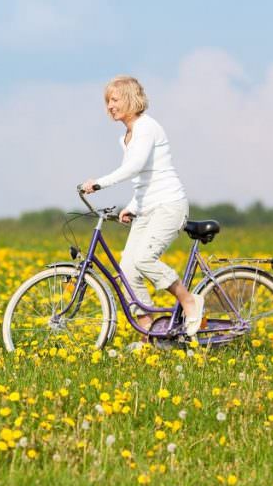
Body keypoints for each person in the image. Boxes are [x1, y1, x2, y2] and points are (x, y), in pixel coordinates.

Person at [81, 75, 204, 341]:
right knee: (127, 270)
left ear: (129, 99)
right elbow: (144, 177)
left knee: (144, 259)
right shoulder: (126, 136)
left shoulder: (147, 127)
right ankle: (150, 335)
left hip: (168, 205)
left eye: (114, 100)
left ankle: (188, 300)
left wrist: (99, 183)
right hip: (147, 209)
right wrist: (132, 206)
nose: (109, 107)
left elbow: (134, 167)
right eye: (107, 102)